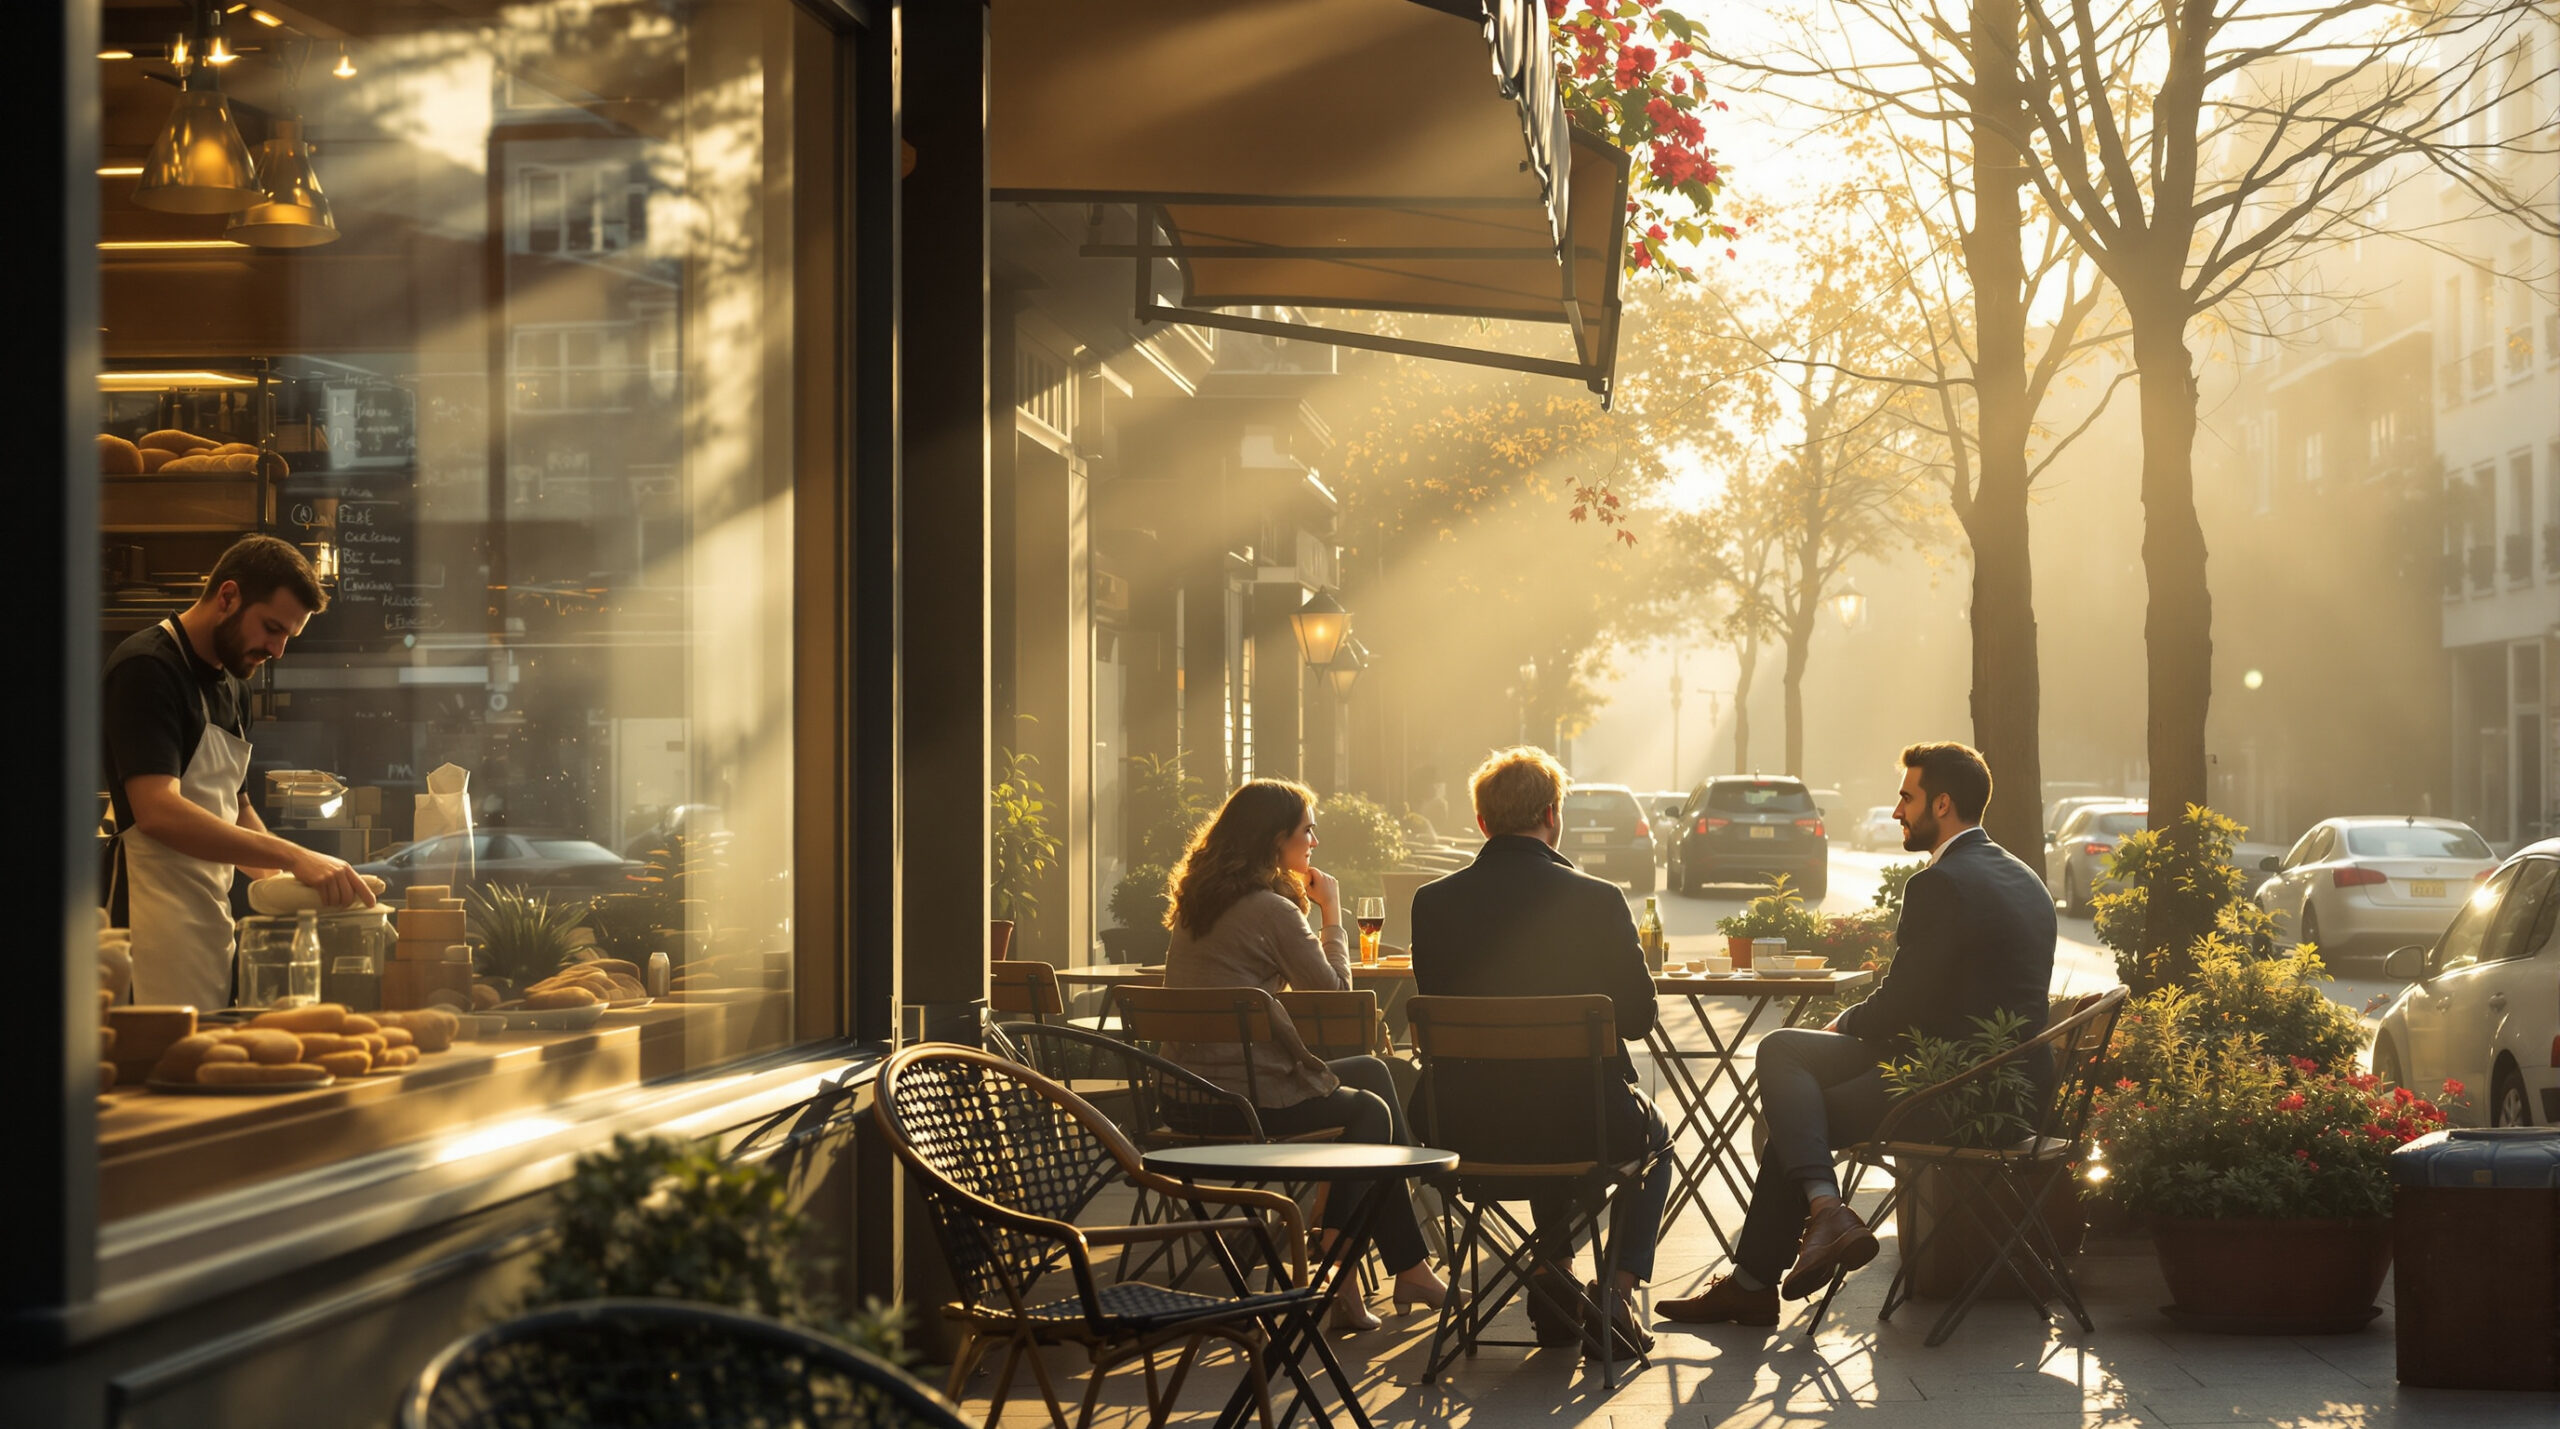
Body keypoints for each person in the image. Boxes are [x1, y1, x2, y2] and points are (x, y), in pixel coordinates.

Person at [1662, 741, 2055, 1327]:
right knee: (1783, 1050)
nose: (1897, 811)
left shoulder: (1941, 883)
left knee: (1799, 1113)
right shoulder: (2023, 876)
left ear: (1942, 804)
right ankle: (1815, 1222)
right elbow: (1932, 1002)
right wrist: (1847, 1028)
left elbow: (1903, 1003)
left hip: (1957, 1092)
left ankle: (1792, 1243)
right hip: (2012, 1084)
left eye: (1907, 797)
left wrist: (1845, 1022)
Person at [1158, 778, 1451, 1331]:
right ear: (1276, 842)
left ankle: (1400, 1262)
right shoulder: (1271, 909)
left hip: (1183, 1096)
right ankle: (1342, 1260)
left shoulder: (1196, 903)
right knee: (1372, 1112)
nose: (1313, 841)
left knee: (1372, 1073)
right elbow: (1334, 993)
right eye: (1306, 831)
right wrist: (1332, 912)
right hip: (1244, 1101)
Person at [1409, 746, 1669, 1356]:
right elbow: (1637, 1017)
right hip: (1584, 1124)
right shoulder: (1598, 898)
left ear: (1481, 823)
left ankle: (1551, 1276)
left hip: (1461, 1130)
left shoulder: (1432, 902)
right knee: (1651, 1140)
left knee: (1532, 1095)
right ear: (1552, 815)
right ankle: (1615, 1292)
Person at [104, 537, 375, 1008]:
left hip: (212, 923)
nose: (278, 650)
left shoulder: (234, 682)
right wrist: (294, 856)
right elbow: (158, 811)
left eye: (288, 636)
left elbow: (237, 805)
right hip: (149, 928)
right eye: (272, 628)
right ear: (227, 597)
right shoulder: (148, 668)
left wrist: (299, 885)